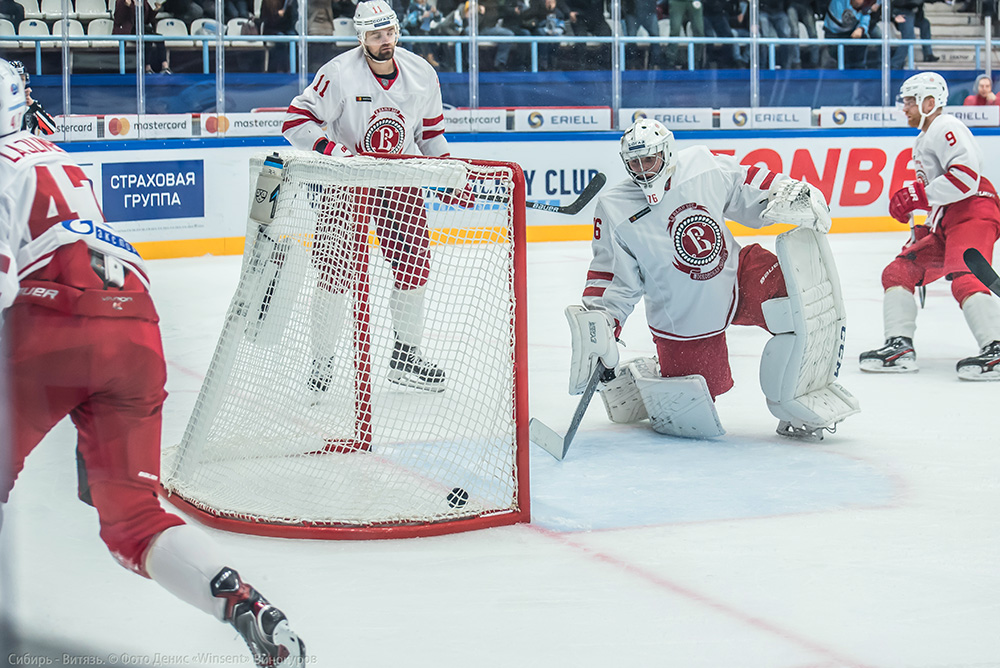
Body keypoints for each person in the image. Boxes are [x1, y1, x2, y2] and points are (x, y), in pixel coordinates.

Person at [0, 59, 306, 667]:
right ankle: (246, 604)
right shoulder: (57, 158)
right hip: (136, 328)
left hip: (49, 318)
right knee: (134, 522)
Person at [568, 118, 858, 440]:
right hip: (683, 313)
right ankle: (643, 378)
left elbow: (745, 183)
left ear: (667, 152)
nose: (642, 169)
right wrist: (604, 321)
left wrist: (784, 192)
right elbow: (613, 277)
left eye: (648, 159)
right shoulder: (614, 207)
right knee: (691, 416)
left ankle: (793, 404)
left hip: (738, 276)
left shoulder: (702, 165)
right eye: (634, 162)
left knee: (800, 301)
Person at [282, 0, 460, 393]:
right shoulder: (339, 73)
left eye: (390, 33)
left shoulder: (421, 72)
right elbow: (295, 120)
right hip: (346, 187)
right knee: (333, 276)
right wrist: (334, 151)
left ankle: (405, 356)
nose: (385, 42)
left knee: (415, 270)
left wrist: (450, 173)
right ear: (361, 37)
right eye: (376, 35)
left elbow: (429, 135)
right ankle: (322, 362)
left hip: (400, 184)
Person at [860, 72, 1000, 380]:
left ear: (929, 101)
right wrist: (924, 220)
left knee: (966, 278)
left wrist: (917, 195)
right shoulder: (925, 137)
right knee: (898, 272)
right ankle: (899, 346)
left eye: (910, 101)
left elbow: (965, 177)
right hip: (949, 219)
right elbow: (943, 190)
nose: (905, 108)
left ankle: (996, 348)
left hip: (974, 209)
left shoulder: (945, 126)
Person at [112, 0, 171, 74]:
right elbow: (119, 18)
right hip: (127, 30)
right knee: (146, 39)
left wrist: (155, 10)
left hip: (140, 30)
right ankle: (147, 67)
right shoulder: (122, 1)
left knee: (159, 37)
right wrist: (129, 6)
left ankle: (165, 66)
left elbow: (146, 20)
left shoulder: (143, 1)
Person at [9, 61, 55, 135]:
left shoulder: (33, 105)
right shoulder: (3, 105)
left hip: (28, 146)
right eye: (15, 79)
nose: (19, 83)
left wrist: (32, 105)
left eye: (22, 79)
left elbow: (51, 129)